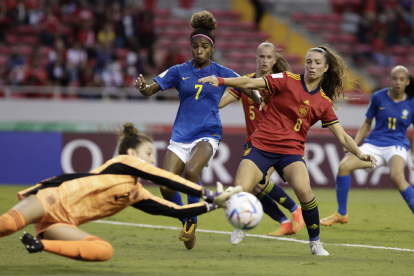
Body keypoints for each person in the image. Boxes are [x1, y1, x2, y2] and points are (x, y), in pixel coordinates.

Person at [198, 45, 378, 256]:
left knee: (305, 192)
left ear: (326, 67)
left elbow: (342, 136)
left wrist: (358, 152)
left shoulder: (324, 103)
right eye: (309, 61)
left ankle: (315, 243)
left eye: (317, 63)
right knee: (240, 189)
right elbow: (249, 82)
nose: (312, 66)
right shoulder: (286, 79)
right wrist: (221, 80)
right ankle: (242, 224)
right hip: (261, 146)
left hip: (291, 152)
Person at [0, 123, 239, 262]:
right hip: (52, 197)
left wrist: (214, 204)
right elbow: (167, 178)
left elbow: (173, 209)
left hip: (63, 221)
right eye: (148, 153)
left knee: (104, 251)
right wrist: (207, 194)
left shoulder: (135, 193)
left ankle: (39, 245)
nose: (151, 159)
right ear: (132, 153)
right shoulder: (124, 161)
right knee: (7, 226)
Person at [134, 11, 252, 250]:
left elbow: (247, 84)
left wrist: (262, 96)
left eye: (204, 47)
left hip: (208, 134)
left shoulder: (222, 72)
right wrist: (142, 88)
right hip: (180, 136)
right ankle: (188, 218)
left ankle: (191, 222)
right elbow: (149, 91)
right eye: (194, 46)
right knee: (165, 187)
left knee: (191, 170)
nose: (198, 50)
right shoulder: (179, 71)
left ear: (212, 48)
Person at [219, 42, 305, 244]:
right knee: (251, 186)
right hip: (254, 144)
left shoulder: (281, 84)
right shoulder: (246, 82)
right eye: (261, 57)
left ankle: (291, 211)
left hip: (277, 143)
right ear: (256, 58)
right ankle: (285, 220)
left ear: (275, 60)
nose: (265, 61)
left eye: (269, 57)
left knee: (254, 185)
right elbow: (220, 103)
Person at [321, 66, 414, 226]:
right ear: (390, 80)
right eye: (394, 78)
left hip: (396, 145)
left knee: (397, 177)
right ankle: (341, 214)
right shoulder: (379, 97)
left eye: (401, 79)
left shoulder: (411, 103)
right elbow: (367, 122)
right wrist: (355, 144)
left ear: (407, 82)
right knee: (343, 166)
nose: (397, 82)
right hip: (374, 145)